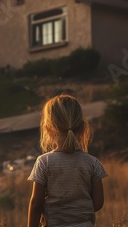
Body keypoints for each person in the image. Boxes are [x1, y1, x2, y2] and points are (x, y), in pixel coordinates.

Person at [27, 94, 107, 227]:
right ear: (82, 128)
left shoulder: (44, 162)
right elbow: (98, 202)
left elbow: (36, 204)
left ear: (48, 129)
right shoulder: (92, 163)